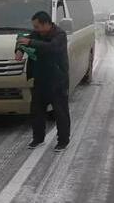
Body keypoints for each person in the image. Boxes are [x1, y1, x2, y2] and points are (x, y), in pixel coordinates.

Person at [16, 11, 71, 151]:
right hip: (40, 79)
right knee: (37, 111)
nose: (35, 30)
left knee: (60, 112)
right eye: (34, 27)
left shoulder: (59, 35)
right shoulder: (36, 34)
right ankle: (38, 138)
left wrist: (31, 42)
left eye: (37, 26)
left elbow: (52, 48)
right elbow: (21, 40)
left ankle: (63, 141)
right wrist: (19, 50)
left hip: (57, 80)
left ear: (46, 24)